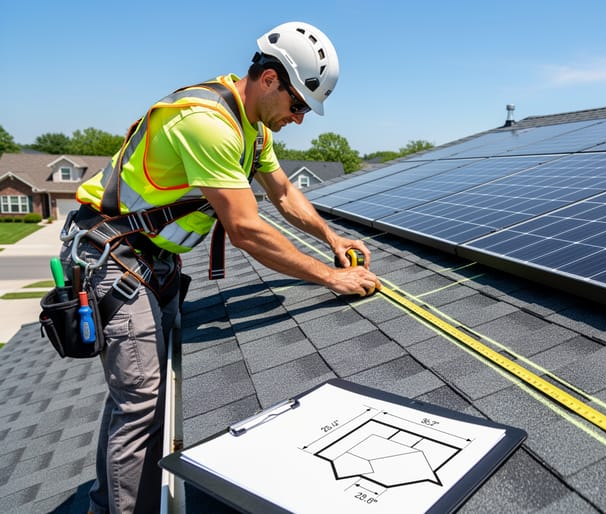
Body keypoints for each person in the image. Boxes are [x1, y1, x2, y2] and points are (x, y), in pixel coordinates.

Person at [60, 21, 380, 514]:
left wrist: (333, 240)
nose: (299, 119)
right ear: (270, 79)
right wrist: (331, 276)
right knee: (141, 400)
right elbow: (246, 229)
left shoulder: (251, 129)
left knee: (145, 396)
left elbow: (286, 194)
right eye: (298, 105)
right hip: (112, 258)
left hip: (150, 259)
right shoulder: (207, 122)